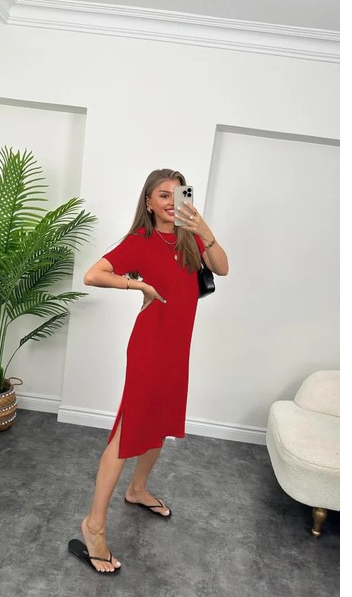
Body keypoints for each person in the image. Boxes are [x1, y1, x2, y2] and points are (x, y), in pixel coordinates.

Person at [68, 168, 229, 574]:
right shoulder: (139, 241)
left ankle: (137, 490)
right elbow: (93, 274)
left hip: (177, 349)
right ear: (149, 202)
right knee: (127, 434)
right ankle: (93, 526)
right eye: (163, 195)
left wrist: (203, 227)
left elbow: (223, 267)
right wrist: (137, 286)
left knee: (161, 421)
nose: (172, 202)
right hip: (150, 347)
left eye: (178, 194)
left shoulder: (191, 238)